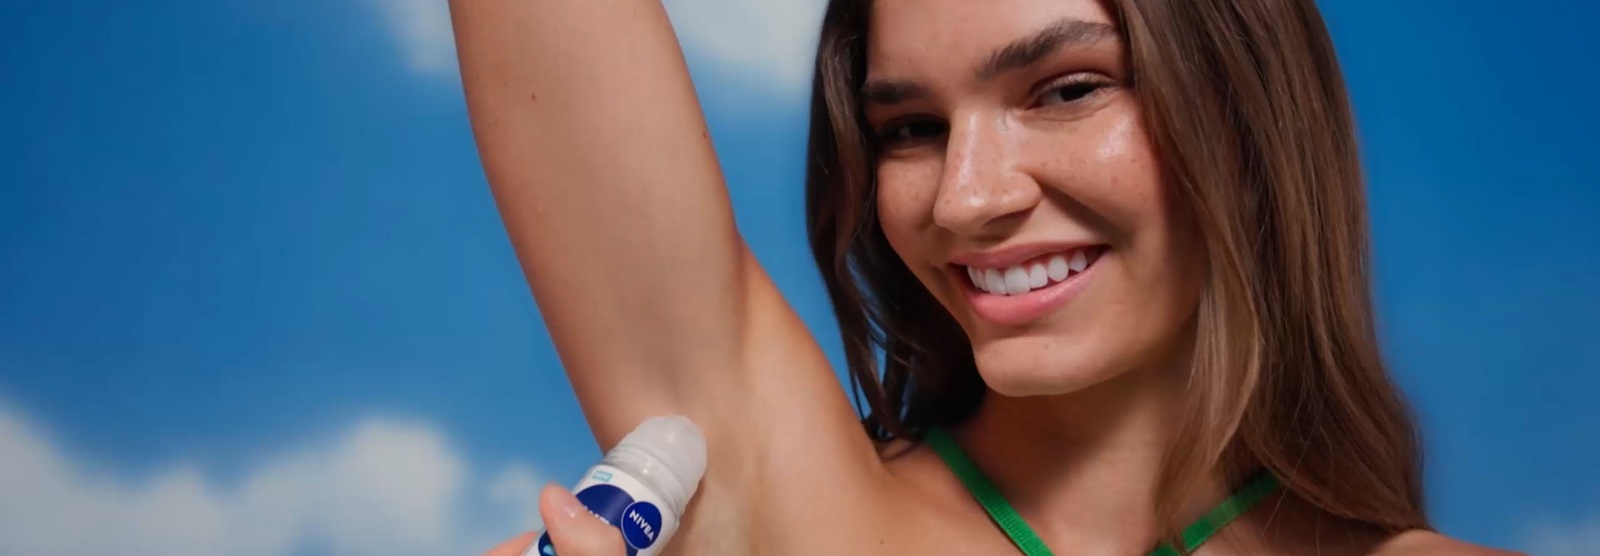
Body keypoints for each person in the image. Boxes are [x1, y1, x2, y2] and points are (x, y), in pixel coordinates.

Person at [449, 0, 1515, 553]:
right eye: (910, 128)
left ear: (1244, 118)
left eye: (1063, 90)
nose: (963, 198)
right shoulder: (788, 513)